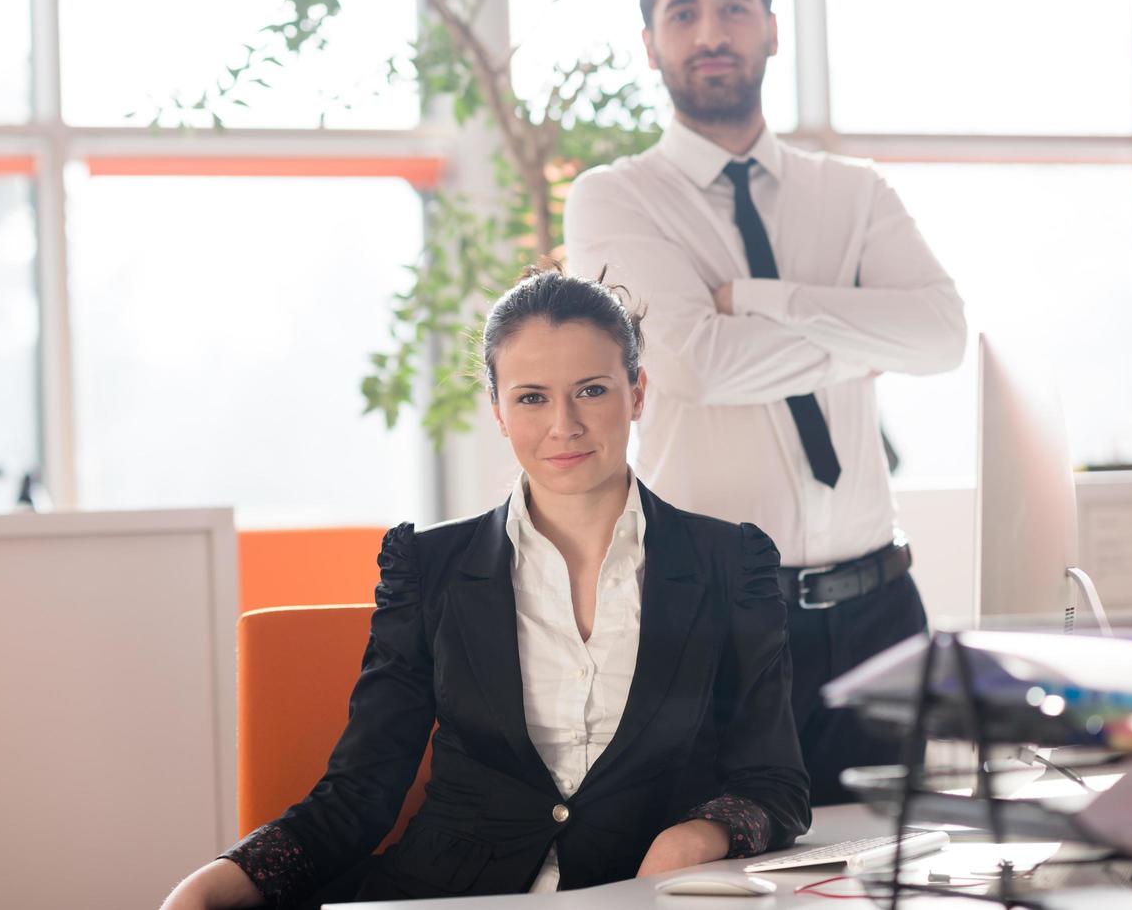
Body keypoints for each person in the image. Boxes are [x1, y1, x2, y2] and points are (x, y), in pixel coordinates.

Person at [160, 269, 809, 909]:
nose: (563, 425)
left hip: (635, 893)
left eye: (590, 390)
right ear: (497, 410)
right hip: (442, 892)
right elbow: (359, 794)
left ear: (636, 394)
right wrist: (219, 880)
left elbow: (772, 780)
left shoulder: (731, 562)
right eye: (531, 397)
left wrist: (692, 840)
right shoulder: (426, 566)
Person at [564, 0, 967, 806]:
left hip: (881, 611)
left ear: (771, 29)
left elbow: (940, 337)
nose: (711, 30)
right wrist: (864, 337)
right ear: (651, 44)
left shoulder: (854, 192)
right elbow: (695, 365)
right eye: (683, 12)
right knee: (723, 875)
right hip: (720, 616)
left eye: (732, 7)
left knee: (898, 868)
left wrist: (757, 299)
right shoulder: (614, 198)